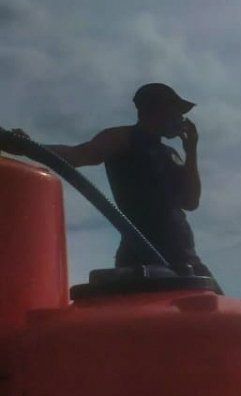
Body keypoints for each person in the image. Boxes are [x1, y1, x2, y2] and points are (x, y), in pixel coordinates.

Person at [4, 83, 213, 278]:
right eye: (176, 112)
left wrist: (191, 151)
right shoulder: (123, 138)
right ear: (156, 111)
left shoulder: (170, 153)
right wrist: (28, 147)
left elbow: (191, 201)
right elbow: (79, 156)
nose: (181, 120)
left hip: (183, 256)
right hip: (143, 255)